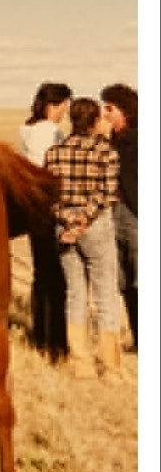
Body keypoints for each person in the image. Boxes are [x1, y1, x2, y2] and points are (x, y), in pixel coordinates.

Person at [44, 97, 126, 381]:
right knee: (105, 296)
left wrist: (68, 221)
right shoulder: (106, 152)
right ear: (93, 122)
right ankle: (111, 368)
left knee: (75, 294)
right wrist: (83, 221)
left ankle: (81, 364)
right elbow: (106, 194)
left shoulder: (54, 153)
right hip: (96, 227)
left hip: (63, 227)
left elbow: (49, 195)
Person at [19, 82, 72, 355]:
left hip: (33, 207)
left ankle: (40, 335)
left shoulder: (27, 130)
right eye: (64, 106)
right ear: (56, 104)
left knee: (42, 274)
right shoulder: (51, 132)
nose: (65, 111)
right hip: (50, 206)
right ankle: (56, 341)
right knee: (56, 277)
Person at [99, 83, 138, 348]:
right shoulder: (113, 140)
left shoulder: (135, 140)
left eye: (109, 108)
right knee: (123, 281)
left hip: (135, 215)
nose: (105, 114)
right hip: (115, 213)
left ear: (124, 111)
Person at [19, 81, 72, 166]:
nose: (66, 109)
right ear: (51, 105)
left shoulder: (27, 127)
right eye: (65, 103)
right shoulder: (50, 130)